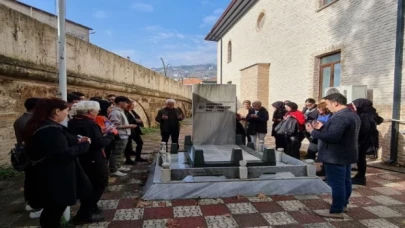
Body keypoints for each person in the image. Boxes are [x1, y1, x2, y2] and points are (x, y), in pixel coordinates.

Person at [23, 98, 92, 228]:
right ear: (57, 111)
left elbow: (60, 143)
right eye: (66, 110)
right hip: (55, 178)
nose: (67, 114)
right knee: (53, 212)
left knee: (53, 211)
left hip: (49, 175)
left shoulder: (45, 125)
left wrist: (76, 140)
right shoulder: (50, 130)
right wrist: (84, 144)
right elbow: (63, 153)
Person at [305, 93, 360, 219]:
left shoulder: (340, 117)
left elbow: (332, 137)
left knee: (337, 183)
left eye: (328, 104)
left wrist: (312, 131)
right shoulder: (352, 115)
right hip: (346, 154)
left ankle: (336, 211)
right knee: (346, 181)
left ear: (335, 103)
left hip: (335, 156)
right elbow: (341, 133)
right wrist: (323, 127)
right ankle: (343, 205)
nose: (328, 107)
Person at [69, 101, 115, 224]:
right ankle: (84, 213)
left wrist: (101, 134)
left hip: (82, 157)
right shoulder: (90, 124)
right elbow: (98, 143)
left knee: (88, 184)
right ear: (90, 112)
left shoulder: (72, 122)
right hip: (94, 158)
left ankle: (91, 206)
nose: (97, 113)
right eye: (96, 111)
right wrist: (110, 135)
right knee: (100, 183)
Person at [13, 97, 41, 218]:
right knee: (37, 181)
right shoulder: (33, 121)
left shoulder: (19, 120)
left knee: (29, 179)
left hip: (25, 154)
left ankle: (30, 202)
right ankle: (37, 205)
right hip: (34, 156)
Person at [351, 98, 383, 185]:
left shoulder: (364, 115)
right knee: (361, 159)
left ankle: (361, 177)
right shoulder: (369, 113)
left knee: (361, 159)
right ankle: (360, 176)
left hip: (362, 140)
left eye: (355, 105)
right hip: (365, 140)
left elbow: (364, 129)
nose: (354, 106)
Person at [108, 96, 137, 177]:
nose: (127, 104)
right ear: (121, 102)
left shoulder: (120, 111)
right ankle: (113, 170)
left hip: (123, 134)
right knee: (116, 152)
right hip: (120, 135)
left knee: (120, 152)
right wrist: (129, 126)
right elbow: (115, 126)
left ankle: (118, 166)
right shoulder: (115, 112)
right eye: (126, 102)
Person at [124, 100, 147, 164]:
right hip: (129, 129)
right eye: (132, 105)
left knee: (140, 143)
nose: (133, 106)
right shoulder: (125, 112)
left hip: (135, 130)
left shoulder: (132, 111)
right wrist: (135, 120)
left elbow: (138, 118)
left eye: (134, 105)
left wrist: (138, 120)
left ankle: (138, 157)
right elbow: (127, 121)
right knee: (128, 145)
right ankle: (128, 159)